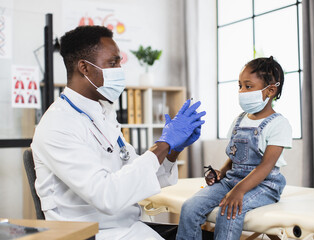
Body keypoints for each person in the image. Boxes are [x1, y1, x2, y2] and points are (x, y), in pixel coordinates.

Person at [31, 25, 206, 240]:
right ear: (84, 68)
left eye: (119, 63)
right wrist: (163, 144)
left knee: (205, 234)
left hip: (127, 226)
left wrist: (172, 151)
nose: (119, 71)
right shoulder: (57, 125)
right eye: (112, 63)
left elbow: (135, 175)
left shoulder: (103, 113)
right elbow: (107, 196)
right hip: (93, 234)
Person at [176, 56, 292, 240]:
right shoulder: (239, 119)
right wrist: (222, 172)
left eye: (248, 86)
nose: (242, 91)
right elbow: (235, 156)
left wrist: (239, 191)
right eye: (240, 86)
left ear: (270, 91)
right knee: (190, 207)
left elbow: (265, 167)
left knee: (228, 211)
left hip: (264, 186)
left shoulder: (279, 124)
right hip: (233, 181)